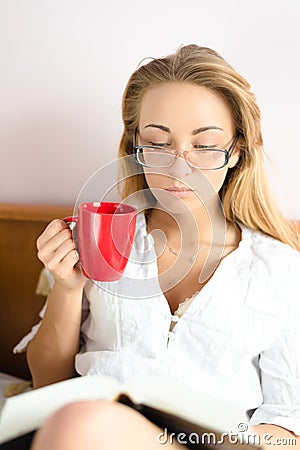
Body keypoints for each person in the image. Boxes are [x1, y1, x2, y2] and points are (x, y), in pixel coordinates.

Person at [17, 45, 300, 449]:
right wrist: (67, 287)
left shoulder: (282, 271)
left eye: (204, 145)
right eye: (158, 143)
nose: (179, 166)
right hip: (87, 432)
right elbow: (47, 383)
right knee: (83, 423)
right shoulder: (98, 238)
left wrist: (220, 438)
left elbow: (290, 430)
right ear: (136, 148)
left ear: (236, 150)